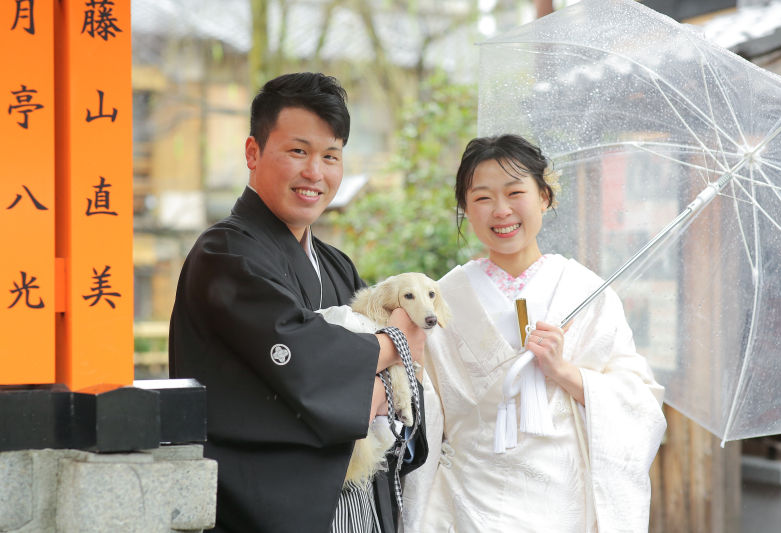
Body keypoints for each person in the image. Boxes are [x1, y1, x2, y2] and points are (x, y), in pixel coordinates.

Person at [169, 72, 428, 533]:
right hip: (265, 509)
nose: (316, 173)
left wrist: (381, 377)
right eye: (298, 151)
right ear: (253, 152)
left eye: (331, 156)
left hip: (354, 505)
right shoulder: (225, 254)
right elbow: (307, 366)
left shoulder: (335, 264)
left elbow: (396, 394)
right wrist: (394, 345)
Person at [401, 135, 667, 533]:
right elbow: (421, 407)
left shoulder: (587, 292)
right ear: (465, 209)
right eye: (483, 198)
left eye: (515, 192)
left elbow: (640, 404)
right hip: (468, 500)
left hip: (564, 505)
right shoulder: (439, 301)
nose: (502, 210)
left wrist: (565, 372)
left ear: (545, 196)